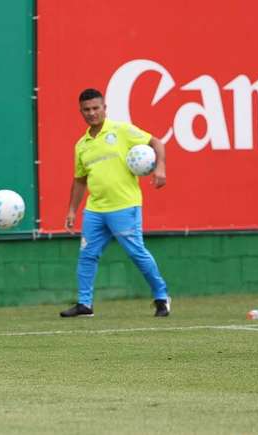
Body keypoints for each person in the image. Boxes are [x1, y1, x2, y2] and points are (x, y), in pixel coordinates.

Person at [60, 88, 170, 318]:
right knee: (87, 255)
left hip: (124, 205)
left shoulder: (121, 131)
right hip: (95, 210)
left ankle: (161, 297)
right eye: (86, 110)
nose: (91, 113)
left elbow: (157, 143)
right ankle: (84, 304)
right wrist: (72, 210)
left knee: (136, 253)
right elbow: (80, 180)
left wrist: (160, 167)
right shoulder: (81, 145)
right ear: (81, 112)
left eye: (95, 108)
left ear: (104, 108)